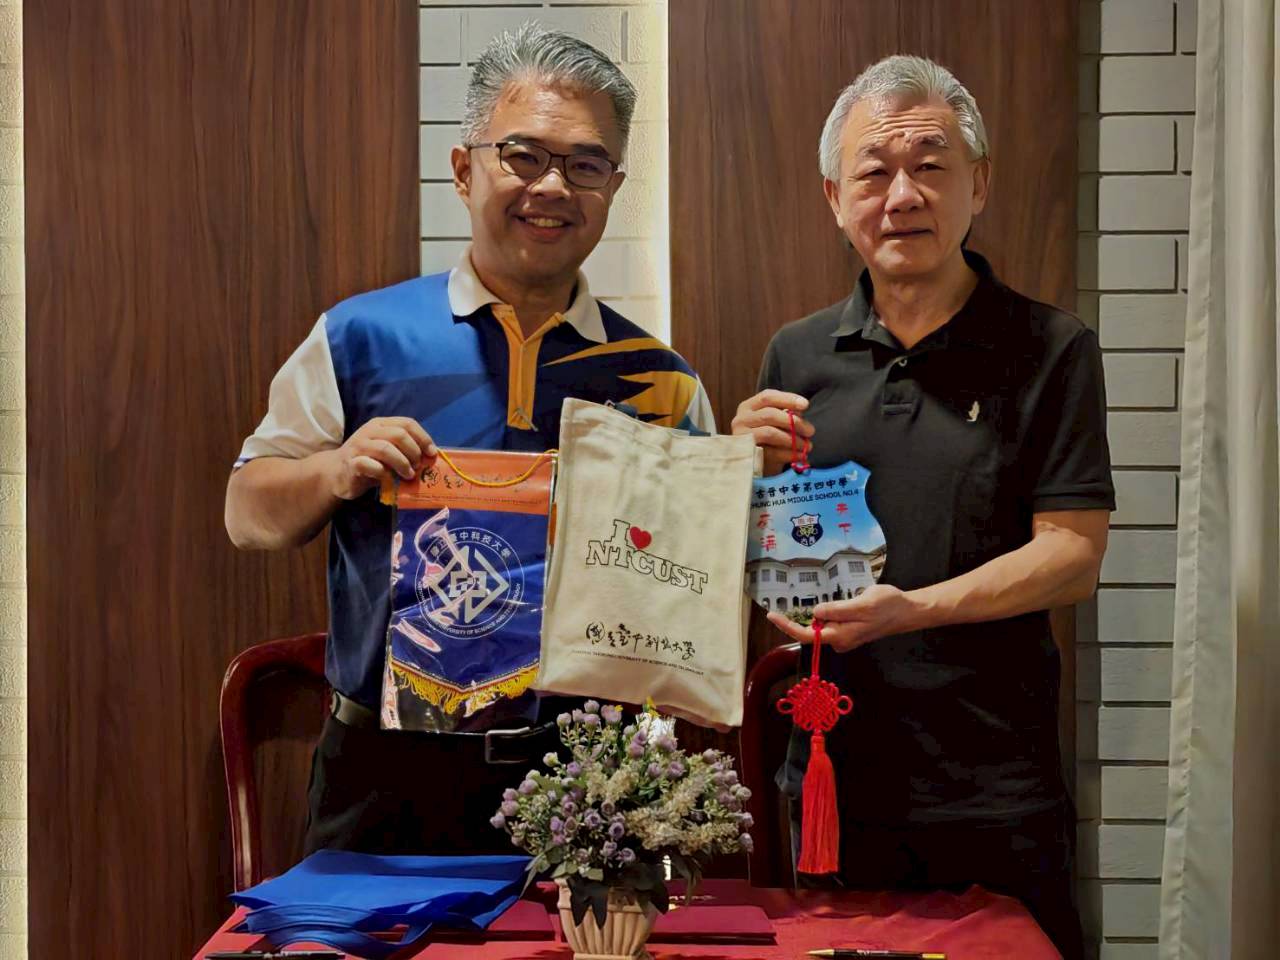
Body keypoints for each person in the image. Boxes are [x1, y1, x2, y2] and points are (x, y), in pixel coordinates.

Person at [225, 23, 713, 857]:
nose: (552, 185)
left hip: (587, 787)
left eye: (586, 165)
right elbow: (246, 512)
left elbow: (692, 596)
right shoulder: (359, 337)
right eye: (523, 155)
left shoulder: (661, 380)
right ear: (463, 169)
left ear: (614, 186)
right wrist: (337, 470)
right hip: (383, 777)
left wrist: (749, 499)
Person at [731, 55, 1111, 959]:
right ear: (836, 199)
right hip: (832, 777)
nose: (902, 195)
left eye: (931, 166)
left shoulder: (1051, 348)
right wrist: (735, 474)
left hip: (994, 789)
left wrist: (913, 610)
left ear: (979, 185)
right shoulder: (796, 355)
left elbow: (1073, 554)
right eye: (874, 172)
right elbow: (770, 562)